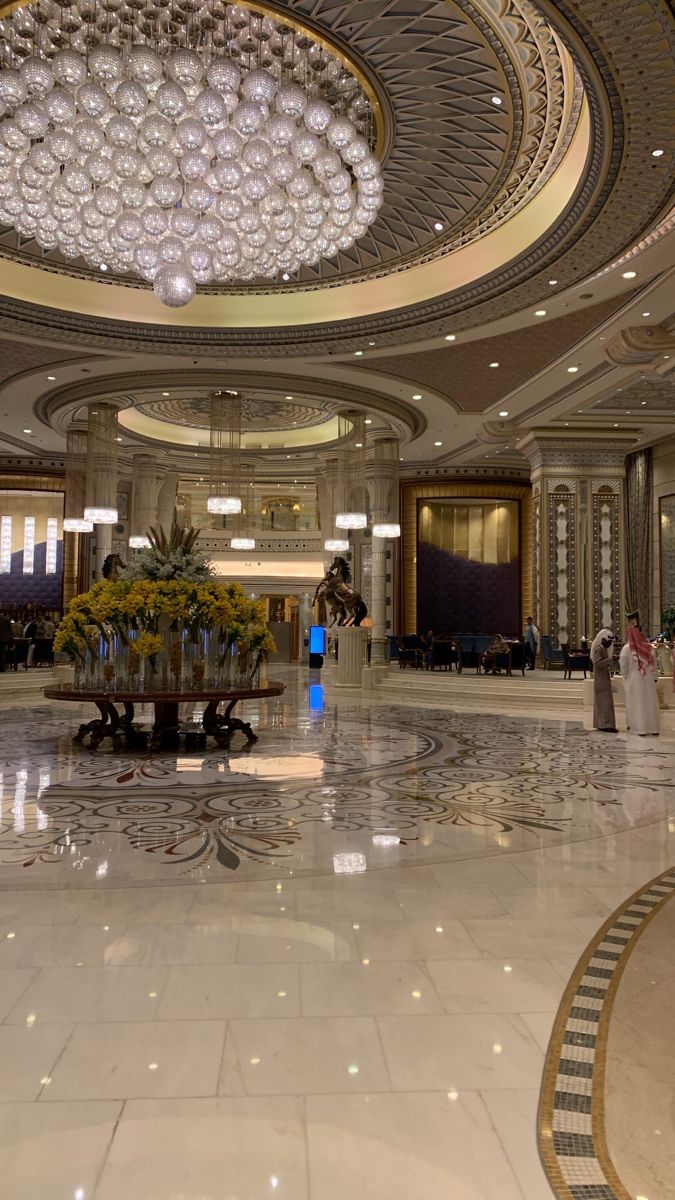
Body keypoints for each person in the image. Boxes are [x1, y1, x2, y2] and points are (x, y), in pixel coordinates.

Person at [620, 624, 660, 736]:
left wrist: (626, 677)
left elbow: (623, 666)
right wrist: (654, 676)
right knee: (649, 702)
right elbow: (655, 665)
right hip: (649, 679)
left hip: (635, 678)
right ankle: (653, 728)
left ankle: (640, 728)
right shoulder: (649, 647)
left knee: (637, 703)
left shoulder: (627, 648)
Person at [590, 628, 617, 732]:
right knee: (604, 703)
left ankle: (605, 724)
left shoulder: (603, 649)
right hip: (600, 680)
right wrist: (610, 660)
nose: (610, 644)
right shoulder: (598, 649)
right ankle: (605, 725)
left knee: (605, 703)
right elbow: (597, 663)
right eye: (609, 642)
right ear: (604, 640)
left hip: (604, 679)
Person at [0, 609, 13, 673]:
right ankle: (2, 668)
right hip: (3, 639)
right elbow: (10, 630)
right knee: (2, 654)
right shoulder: (6, 619)